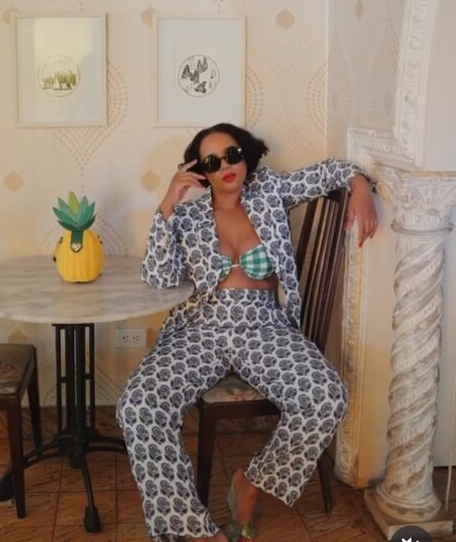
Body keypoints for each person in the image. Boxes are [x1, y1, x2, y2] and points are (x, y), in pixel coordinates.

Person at [116, 123, 377, 542]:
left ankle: (251, 485)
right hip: (201, 327)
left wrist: (360, 185)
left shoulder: (270, 191)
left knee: (327, 397)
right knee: (138, 405)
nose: (226, 166)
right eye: (212, 161)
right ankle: (194, 530)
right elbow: (158, 277)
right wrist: (168, 203)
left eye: (233, 154)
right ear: (200, 171)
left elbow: (329, 172)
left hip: (264, 325)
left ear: (246, 155)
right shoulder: (188, 216)